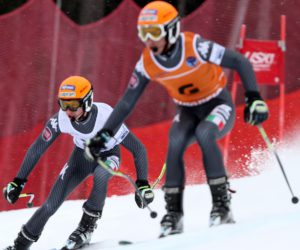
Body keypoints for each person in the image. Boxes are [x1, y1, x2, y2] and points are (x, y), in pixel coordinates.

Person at [85, 1, 269, 238]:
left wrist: (254, 97)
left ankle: (221, 206)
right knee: (174, 143)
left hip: (218, 104)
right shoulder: (148, 61)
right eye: (144, 34)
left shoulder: (194, 45)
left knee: (205, 134)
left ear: (171, 30)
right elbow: (127, 102)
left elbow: (239, 61)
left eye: (154, 33)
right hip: (188, 111)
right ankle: (173, 215)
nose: (149, 40)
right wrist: (105, 134)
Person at [3, 76, 154, 250]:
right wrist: (18, 181)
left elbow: (138, 149)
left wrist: (142, 184)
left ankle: (86, 227)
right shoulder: (62, 118)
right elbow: (37, 148)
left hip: (107, 156)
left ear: (87, 101)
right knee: (51, 204)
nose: (68, 111)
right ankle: (19, 245)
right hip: (80, 158)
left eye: (73, 105)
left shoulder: (107, 116)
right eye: (63, 104)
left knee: (101, 175)